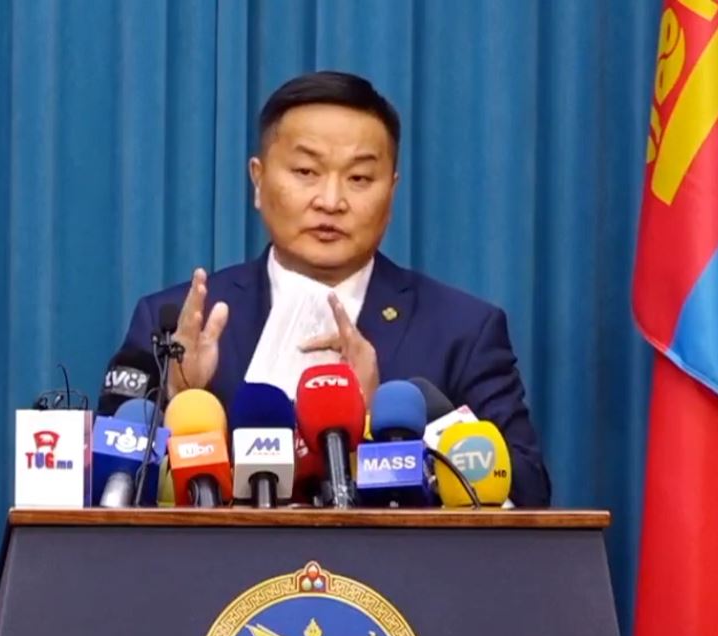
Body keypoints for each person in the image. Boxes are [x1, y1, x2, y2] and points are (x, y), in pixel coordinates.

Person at [118, 71, 551, 507]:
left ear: (392, 191)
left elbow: (526, 492)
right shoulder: (173, 325)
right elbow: (109, 492)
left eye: (359, 178)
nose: (330, 201)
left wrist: (377, 425)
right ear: (258, 180)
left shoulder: (461, 330)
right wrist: (180, 395)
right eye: (306, 171)